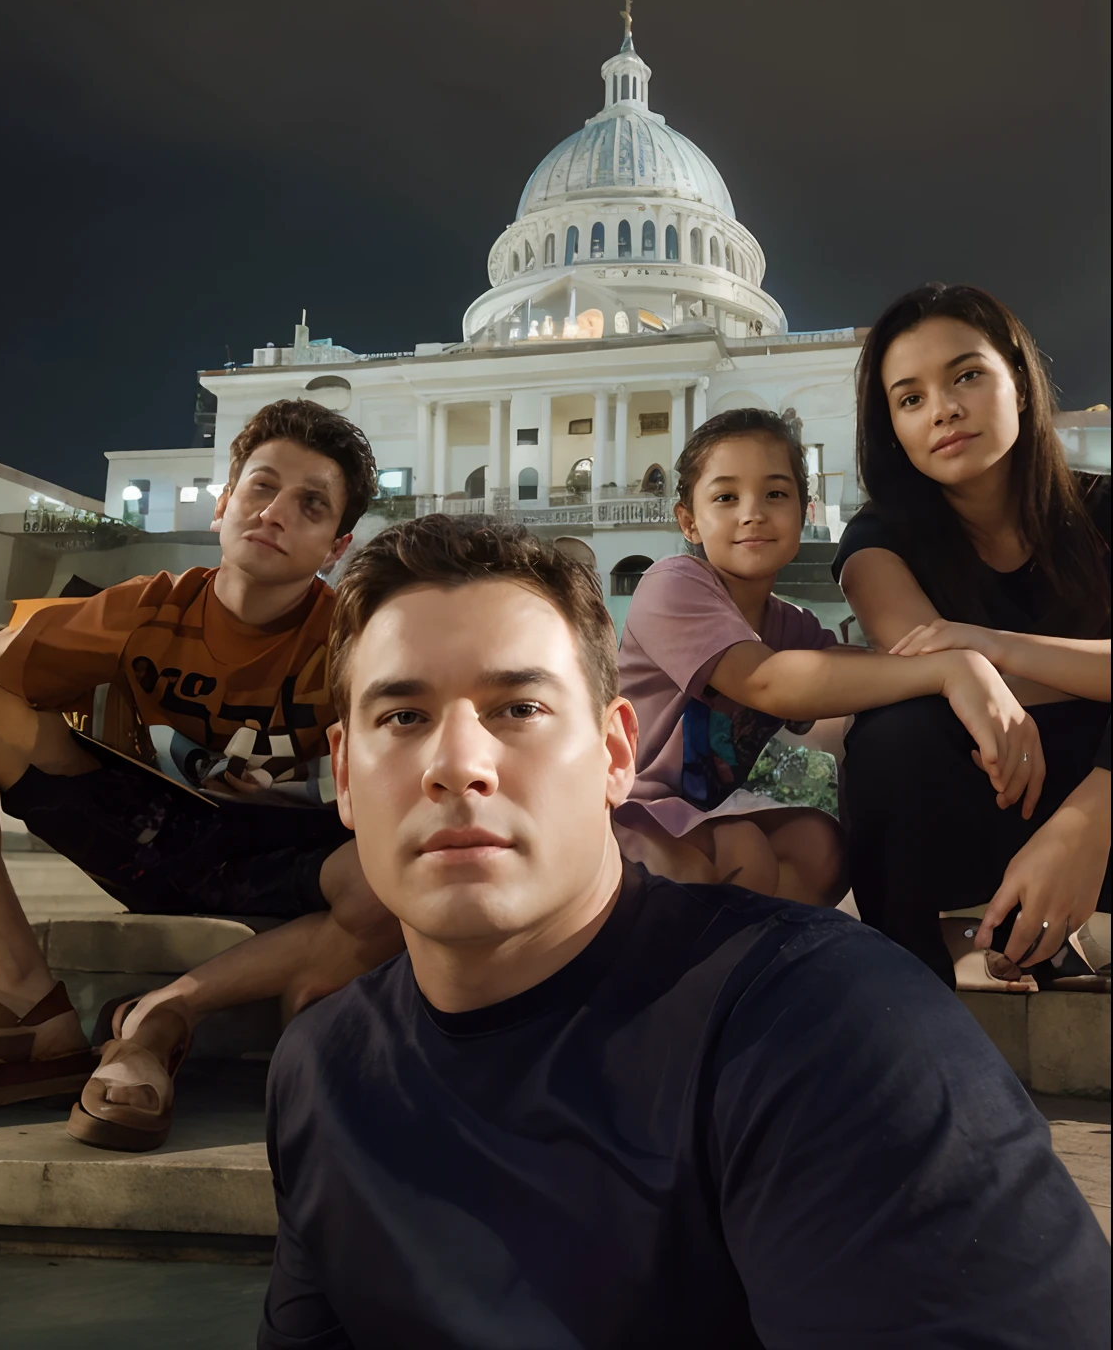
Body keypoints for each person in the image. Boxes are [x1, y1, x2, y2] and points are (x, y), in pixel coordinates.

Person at [259, 514, 1108, 1350]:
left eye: (517, 707)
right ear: (343, 771)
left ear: (616, 754)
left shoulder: (827, 1030)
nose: (457, 765)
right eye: (402, 718)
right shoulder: (321, 1072)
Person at [0, 399, 401, 1144]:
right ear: (225, 504)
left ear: (336, 545)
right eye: (261, 488)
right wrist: (78, 712)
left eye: (311, 504)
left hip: (291, 855)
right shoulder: (150, 607)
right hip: (152, 833)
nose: (276, 513)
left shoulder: (352, 640)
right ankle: (16, 992)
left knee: (388, 882)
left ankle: (161, 1013)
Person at [614, 407, 1044, 907]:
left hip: (684, 815)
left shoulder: (789, 624)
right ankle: (714, 962)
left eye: (775, 493)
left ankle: (753, 946)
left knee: (819, 845)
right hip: (615, 809)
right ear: (688, 520)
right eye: (726, 497)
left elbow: (855, 684)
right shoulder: (673, 584)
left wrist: (978, 678)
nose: (752, 512)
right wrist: (951, 669)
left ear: (805, 512)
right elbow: (767, 681)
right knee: (742, 850)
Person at [833, 282, 1110, 990]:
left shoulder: (1102, 511)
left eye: (966, 375)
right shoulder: (879, 542)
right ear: (890, 426)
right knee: (898, 728)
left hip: (1101, 799)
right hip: (991, 802)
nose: (944, 409)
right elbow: (922, 670)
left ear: (1017, 379)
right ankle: (919, 979)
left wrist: (992, 647)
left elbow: (956, 657)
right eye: (910, 397)